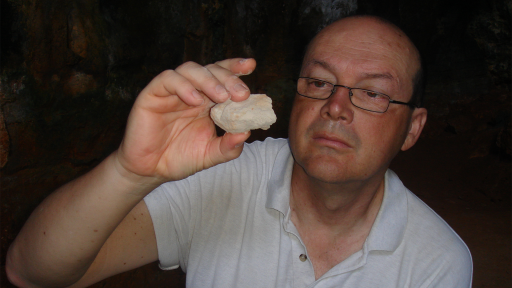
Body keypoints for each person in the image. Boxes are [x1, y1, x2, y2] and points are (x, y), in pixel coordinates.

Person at [6, 15, 472, 287]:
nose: (335, 107)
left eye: (371, 93)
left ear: (412, 128)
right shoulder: (224, 177)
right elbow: (31, 272)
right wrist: (131, 173)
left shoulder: (437, 263)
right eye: (319, 81)